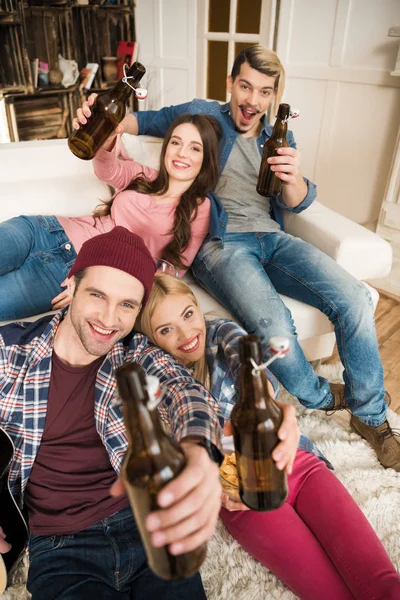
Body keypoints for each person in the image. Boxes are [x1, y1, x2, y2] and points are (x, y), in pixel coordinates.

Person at [98, 43, 399, 470]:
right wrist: (98, 114)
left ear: (274, 95)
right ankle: (319, 396)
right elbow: (136, 120)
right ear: (230, 84)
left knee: (354, 297)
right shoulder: (202, 114)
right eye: (245, 86)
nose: (252, 100)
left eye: (264, 91)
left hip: (272, 238)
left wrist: (294, 178)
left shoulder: (278, 136)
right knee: (273, 324)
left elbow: (295, 201)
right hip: (220, 243)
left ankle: (370, 416)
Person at [137, 272, 400, 600]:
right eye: (166, 329)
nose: (186, 333)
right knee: (329, 593)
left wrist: (267, 405)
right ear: (151, 337)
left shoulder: (221, 332)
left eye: (188, 315)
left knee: (383, 583)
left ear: (195, 306)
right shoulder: (157, 375)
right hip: (245, 500)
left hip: (299, 465)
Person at [0, 227, 224, 600]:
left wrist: (200, 451)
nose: (108, 318)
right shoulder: (10, 353)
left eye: (126, 305)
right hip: (62, 549)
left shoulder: (137, 356)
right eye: (97, 295)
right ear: (70, 286)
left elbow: (187, 394)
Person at [0, 112, 222, 321]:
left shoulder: (200, 208)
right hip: (44, 229)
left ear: (206, 159)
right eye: (175, 142)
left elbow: (169, 274)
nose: (181, 153)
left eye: (195, 148)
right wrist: (107, 136)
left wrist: (94, 287)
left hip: (68, 271)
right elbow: (107, 170)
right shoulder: (145, 176)